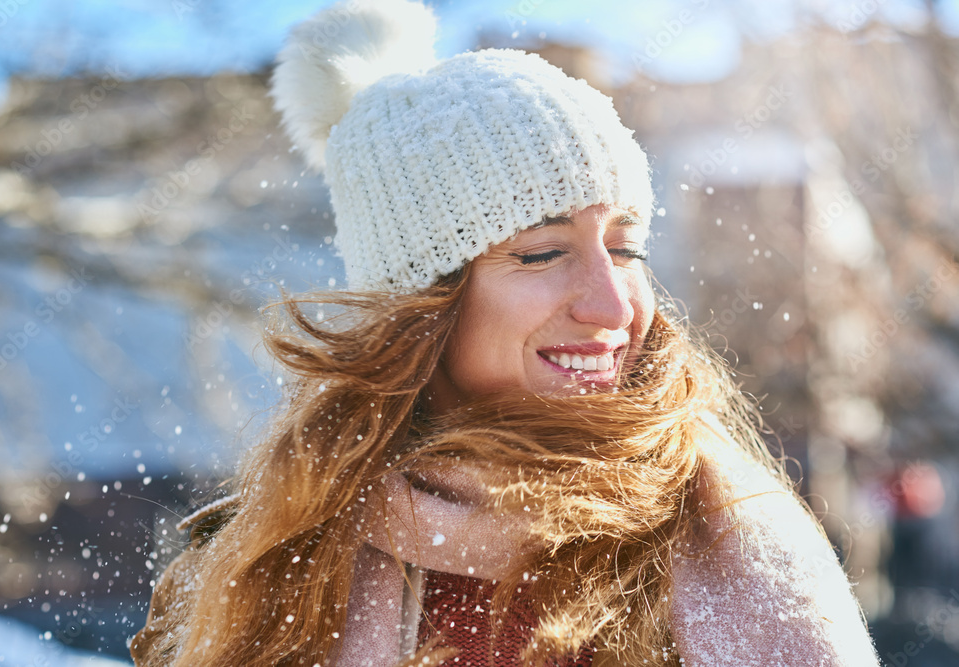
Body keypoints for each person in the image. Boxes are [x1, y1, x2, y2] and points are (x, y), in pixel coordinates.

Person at [130, 1, 880, 665]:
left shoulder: (731, 541)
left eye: (624, 248)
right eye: (544, 252)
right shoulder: (274, 561)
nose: (613, 306)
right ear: (424, 303)